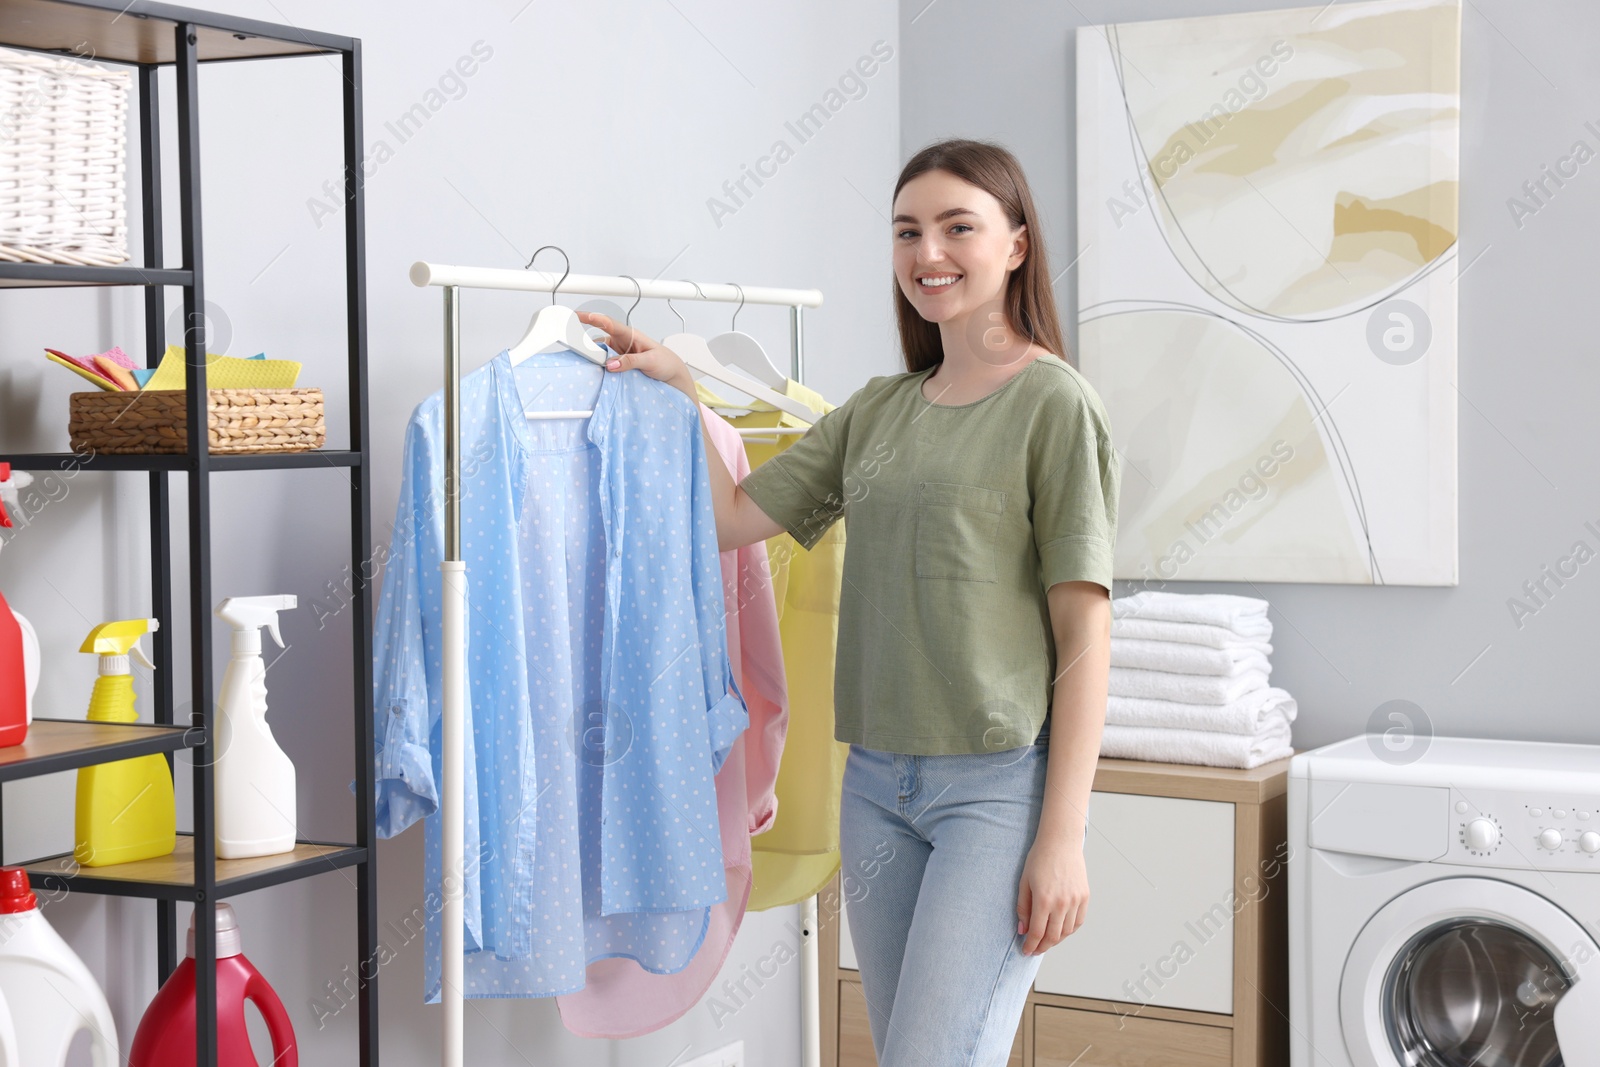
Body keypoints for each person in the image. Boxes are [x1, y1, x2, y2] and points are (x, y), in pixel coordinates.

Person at [577, 137, 1118, 1067]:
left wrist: (1062, 836)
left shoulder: (1055, 406)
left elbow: (1085, 632)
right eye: (908, 231)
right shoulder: (879, 409)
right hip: (875, 785)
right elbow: (732, 516)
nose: (928, 253)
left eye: (959, 227)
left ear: (1018, 245)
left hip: (995, 789)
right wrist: (681, 392)